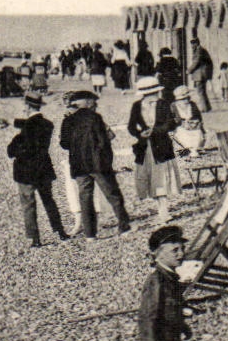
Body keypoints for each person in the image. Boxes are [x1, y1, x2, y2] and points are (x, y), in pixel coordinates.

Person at [58, 90, 131, 238]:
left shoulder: (67, 120)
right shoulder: (95, 118)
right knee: (112, 194)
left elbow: (64, 144)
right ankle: (124, 227)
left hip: (78, 165)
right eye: (93, 101)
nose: (95, 104)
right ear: (86, 102)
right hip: (98, 164)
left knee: (85, 198)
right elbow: (104, 141)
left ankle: (90, 234)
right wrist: (107, 161)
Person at [8, 91, 70, 247]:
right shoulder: (48, 124)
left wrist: (14, 145)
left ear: (28, 107)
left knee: (28, 204)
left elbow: (14, 150)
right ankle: (60, 231)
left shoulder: (26, 128)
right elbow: (31, 124)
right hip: (43, 169)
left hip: (25, 171)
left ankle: (34, 238)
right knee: (49, 201)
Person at [128, 77, 180, 225]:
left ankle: (164, 211)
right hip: (145, 147)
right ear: (146, 94)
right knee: (151, 178)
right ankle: (160, 208)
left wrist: (155, 131)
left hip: (161, 145)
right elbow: (131, 126)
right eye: (153, 93)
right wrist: (140, 133)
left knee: (161, 177)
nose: (156, 95)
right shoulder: (137, 106)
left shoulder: (164, 104)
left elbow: (171, 124)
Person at [189, 38, 214, 112]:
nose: (192, 46)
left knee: (200, 91)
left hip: (200, 75)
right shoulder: (202, 50)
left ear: (196, 43)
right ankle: (207, 107)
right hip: (203, 74)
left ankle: (204, 108)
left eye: (193, 44)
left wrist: (189, 70)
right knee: (203, 91)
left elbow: (196, 62)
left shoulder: (199, 50)